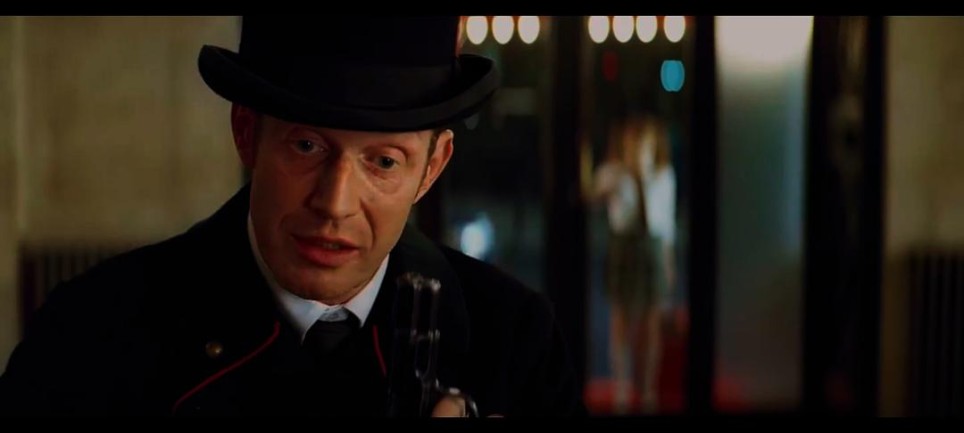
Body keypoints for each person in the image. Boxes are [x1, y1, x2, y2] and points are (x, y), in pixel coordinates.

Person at [0, 16, 582, 416]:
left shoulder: (513, 345)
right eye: (307, 146)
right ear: (246, 132)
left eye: (383, 161)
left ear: (432, 168)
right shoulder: (91, 338)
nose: (335, 202)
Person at [590, 113, 676, 414]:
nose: (638, 149)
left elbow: (666, 222)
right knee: (621, 322)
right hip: (624, 246)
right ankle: (622, 388)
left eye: (644, 143)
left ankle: (648, 388)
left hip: (652, 247)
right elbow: (593, 193)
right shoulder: (614, 173)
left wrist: (669, 261)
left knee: (651, 324)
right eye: (633, 143)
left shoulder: (663, 175)